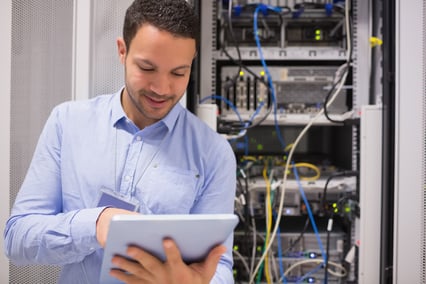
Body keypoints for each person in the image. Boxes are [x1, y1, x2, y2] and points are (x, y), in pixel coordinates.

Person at [4, 0, 237, 283]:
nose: (162, 89)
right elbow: (17, 239)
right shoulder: (68, 122)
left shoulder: (214, 153)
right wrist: (96, 224)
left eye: (178, 73)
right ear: (122, 51)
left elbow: (220, 266)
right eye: (147, 68)